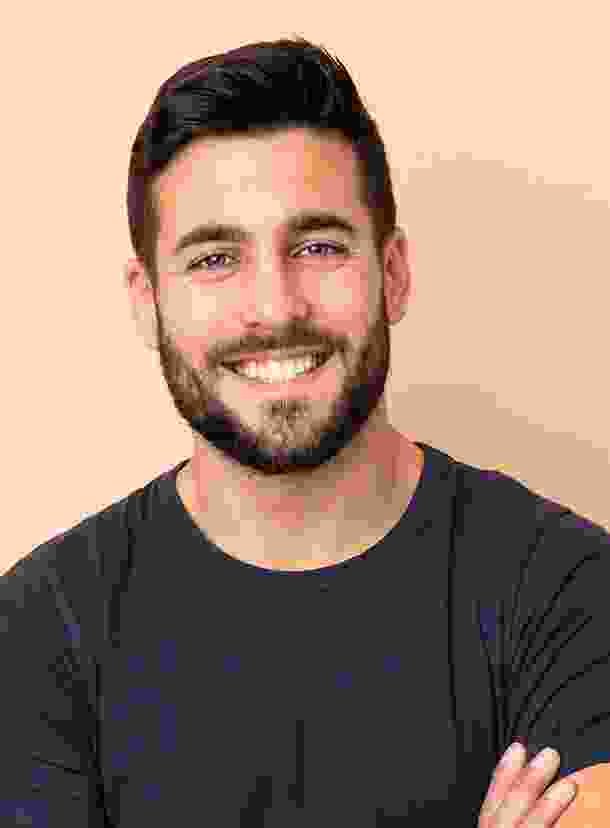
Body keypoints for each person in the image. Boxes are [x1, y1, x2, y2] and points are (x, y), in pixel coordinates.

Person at [1, 36, 608, 827]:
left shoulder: (569, 591)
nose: (276, 307)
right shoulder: (39, 631)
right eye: (215, 258)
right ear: (146, 300)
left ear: (393, 273)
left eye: (318, 247)